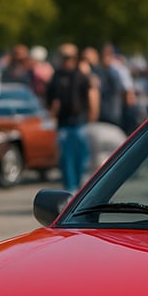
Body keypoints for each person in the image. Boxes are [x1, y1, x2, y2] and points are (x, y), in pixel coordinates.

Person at [46, 43, 99, 193]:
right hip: (64, 123)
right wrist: (52, 111)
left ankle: (81, 186)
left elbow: (91, 94)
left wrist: (92, 114)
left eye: (69, 57)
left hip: (80, 122)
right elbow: (50, 98)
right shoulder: (56, 77)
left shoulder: (81, 76)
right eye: (63, 57)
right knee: (66, 158)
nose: (66, 61)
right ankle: (70, 188)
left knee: (82, 156)